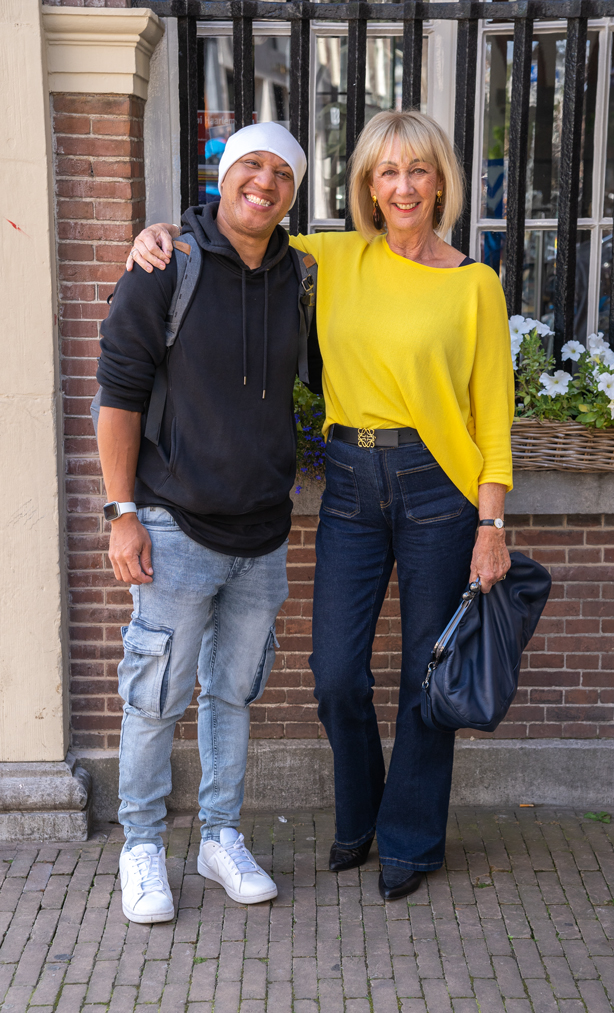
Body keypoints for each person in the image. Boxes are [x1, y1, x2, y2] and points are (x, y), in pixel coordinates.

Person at [130, 109, 513, 902]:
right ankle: (361, 809)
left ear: (439, 181)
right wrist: (158, 231)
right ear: (367, 187)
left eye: (416, 171)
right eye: (384, 172)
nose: (401, 186)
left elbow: (493, 416)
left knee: (423, 672)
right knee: (335, 672)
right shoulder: (329, 259)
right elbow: (237, 229)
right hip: (348, 480)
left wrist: (491, 522)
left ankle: (408, 835)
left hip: (440, 487)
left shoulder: (475, 284)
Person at [97, 121, 321, 923]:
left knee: (232, 693)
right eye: (249, 166)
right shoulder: (168, 264)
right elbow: (117, 394)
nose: (263, 183)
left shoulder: (301, 275)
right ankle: (142, 845)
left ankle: (220, 835)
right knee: (154, 697)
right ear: (222, 175)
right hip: (172, 525)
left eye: (281, 174)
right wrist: (122, 512)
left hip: (261, 535)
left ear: (295, 192)